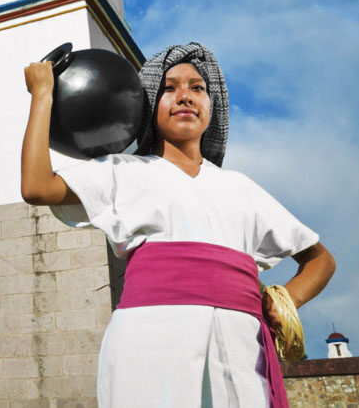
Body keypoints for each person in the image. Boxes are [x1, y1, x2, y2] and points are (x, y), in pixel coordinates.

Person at [21, 43, 335, 407]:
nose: (185, 96)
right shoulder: (124, 173)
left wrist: (284, 301)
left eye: (197, 88)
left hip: (241, 348)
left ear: (211, 106)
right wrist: (42, 95)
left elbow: (320, 259)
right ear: (148, 105)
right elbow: (36, 186)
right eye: (169, 88)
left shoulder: (241, 188)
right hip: (150, 344)